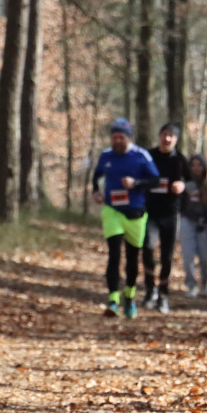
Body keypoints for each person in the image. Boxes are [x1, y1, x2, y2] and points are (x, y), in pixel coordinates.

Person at [91, 118, 159, 319]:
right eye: (114, 137)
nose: (117, 141)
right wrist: (96, 191)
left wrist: (136, 183)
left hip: (136, 215)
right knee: (113, 254)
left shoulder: (141, 155)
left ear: (128, 137)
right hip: (112, 211)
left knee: (132, 258)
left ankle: (129, 296)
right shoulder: (106, 155)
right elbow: (97, 176)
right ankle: (113, 300)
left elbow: (155, 180)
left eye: (121, 137)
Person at [143, 124, 190, 313]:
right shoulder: (148, 156)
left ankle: (163, 295)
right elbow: (137, 176)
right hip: (149, 212)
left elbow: (194, 184)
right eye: (164, 135)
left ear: (176, 140)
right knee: (147, 247)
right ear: (159, 135)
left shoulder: (180, 160)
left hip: (171, 213)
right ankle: (149, 290)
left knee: (166, 256)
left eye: (171, 136)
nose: (167, 139)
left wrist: (183, 185)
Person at [180, 154, 207, 297]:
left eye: (199, 165)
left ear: (204, 167)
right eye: (193, 165)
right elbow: (179, 204)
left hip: (206, 225)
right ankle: (191, 285)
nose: (196, 168)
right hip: (188, 222)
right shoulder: (185, 184)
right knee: (188, 256)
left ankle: (205, 282)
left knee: (204, 258)